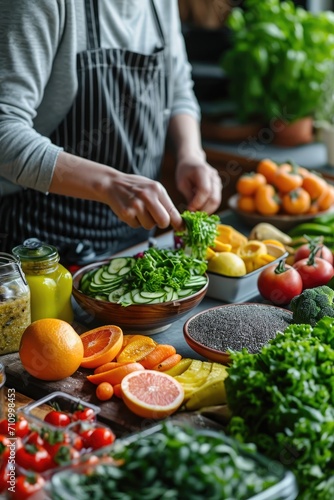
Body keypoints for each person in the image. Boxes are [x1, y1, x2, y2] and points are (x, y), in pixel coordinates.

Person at [0, 0, 222, 261]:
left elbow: (178, 87)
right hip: (41, 250)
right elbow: (5, 127)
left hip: (135, 246)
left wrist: (191, 155)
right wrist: (108, 184)